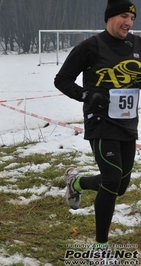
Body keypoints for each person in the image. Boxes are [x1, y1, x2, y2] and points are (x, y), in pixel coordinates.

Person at [54, 0, 139, 262]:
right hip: (100, 122)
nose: (129, 22)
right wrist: (86, 95)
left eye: (132, 18)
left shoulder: (136, 45)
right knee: (112, 179)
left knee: (119, 186)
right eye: (124, 16)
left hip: (128, 122)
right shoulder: (90, 46)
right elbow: (62, 79)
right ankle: (100, 249)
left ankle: (76, 182)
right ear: (110, 17)